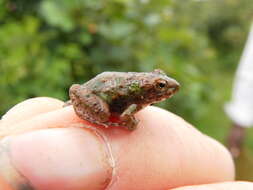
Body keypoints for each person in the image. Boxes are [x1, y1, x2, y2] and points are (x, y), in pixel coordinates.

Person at [0, 97, 252, 190]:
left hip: (88, 90)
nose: (167, 89)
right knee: (109, 121)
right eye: (161, 86)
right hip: (95, 96)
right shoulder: (138, 101)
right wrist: (122, 123)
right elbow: (129, 120)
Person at [225, 24, 253, 158]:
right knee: (240, 122)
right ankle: (232, 152)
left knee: (240, 122)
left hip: (247, 79)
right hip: (248, 80)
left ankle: (233, 152)